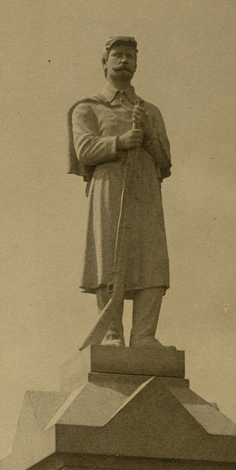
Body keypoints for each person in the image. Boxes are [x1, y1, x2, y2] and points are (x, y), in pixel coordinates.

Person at [68, 37, 172, 349]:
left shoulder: (150, 111)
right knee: (107, 258)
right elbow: (84, 148)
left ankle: (144, 336)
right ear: (105, 62)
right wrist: (119, 142)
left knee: (152, 261)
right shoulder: (88, 107)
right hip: (109, 189)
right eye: (117, 55)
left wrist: (147, 133)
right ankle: (112, 335)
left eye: (130, 55)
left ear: (137, 63)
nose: (124, 60)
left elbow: (165, 161)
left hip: (145, 192)